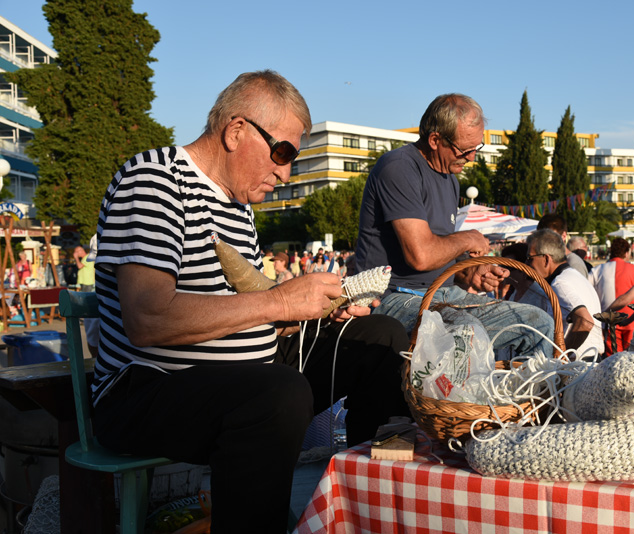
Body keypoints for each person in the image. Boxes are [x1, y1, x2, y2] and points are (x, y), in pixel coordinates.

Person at [90, 70, 410, 533]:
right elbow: (148, 317)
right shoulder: (154, 180)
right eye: (282, 153)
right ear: (236, 131)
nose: (285, 172)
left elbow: (246, 312)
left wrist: (311, 311)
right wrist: (280, 301)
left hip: (240, 376)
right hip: (146, 389)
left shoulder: (239, 209)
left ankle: (370, 500)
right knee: (277, 394)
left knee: (378, 339)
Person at [355, 93, 554, 358]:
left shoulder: (450, 177)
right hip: (391, 298)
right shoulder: (399, 168)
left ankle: (529, 397)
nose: (471, 158)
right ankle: (472, 398)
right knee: (466, 330)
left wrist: (470, 274)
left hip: (440, 293)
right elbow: (421, 256)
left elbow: (440, 251)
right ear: (435, 140)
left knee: (539, 322)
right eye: (464, 150)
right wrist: (468, 238)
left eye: (477, 148)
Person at [526, 229, 604, 358]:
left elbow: (585, 321)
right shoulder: (573, 275)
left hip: (579, 363)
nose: (527, 264)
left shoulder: (560, 283)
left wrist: (561, 357)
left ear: (546, 259)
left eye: (530, 258)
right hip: (589, 359)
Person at [588, 237, 634, 353]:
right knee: (633, 358)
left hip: (609, 321)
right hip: (633, 321)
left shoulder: (598, 270)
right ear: (627, 253)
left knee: (612, 360)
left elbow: (587, 291)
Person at [537, 214, 589, 278]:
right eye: (541, 238)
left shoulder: (574, 264)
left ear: (563, 236)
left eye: (550, 238)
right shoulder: (550, 261)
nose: (544, 242)